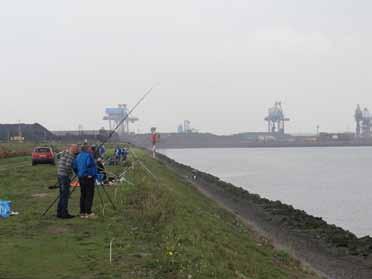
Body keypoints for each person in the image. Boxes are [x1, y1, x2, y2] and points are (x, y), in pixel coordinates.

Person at [73, 144, 98, 219]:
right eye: (90, 148)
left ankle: (82, 212)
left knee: (83, 194)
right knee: (89, 195)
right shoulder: (88, 155)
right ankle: (88, 212)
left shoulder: (78, 156)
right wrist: (90, 174)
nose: (91, 149)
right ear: (87, 149)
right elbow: (89, 164)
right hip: (88, 177)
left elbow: (74, 166)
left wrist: (78, 173)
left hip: (81, 177)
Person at [57, 144, 79, 219]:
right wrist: (71, 174)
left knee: (62, 194)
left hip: (59, 175)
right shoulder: (71, 155)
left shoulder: (65, 153)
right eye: (76, 149)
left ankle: (59, 212)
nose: (77, 150)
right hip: (64, 176)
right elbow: (68, 166)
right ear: (72, 149)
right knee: (65, 195)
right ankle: (64, 214)